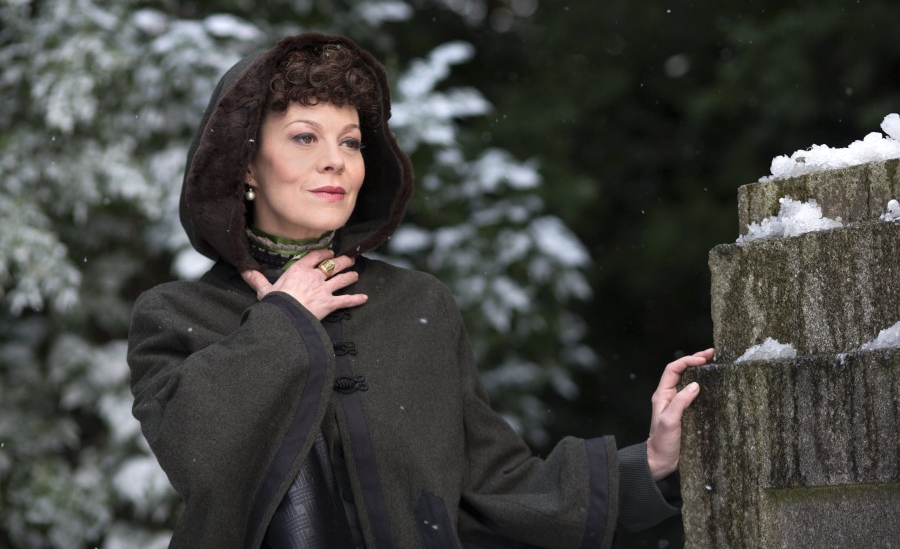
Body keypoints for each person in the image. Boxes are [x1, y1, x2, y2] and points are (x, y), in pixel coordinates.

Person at [127, 32, 714, 549]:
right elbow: (200, 459)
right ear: (247, 165)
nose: (335, 161)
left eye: (350, 142)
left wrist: (650, 461)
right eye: (305, 137)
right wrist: (286, 318)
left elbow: (495, 487)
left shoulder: (418, 304)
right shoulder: (176, 315)